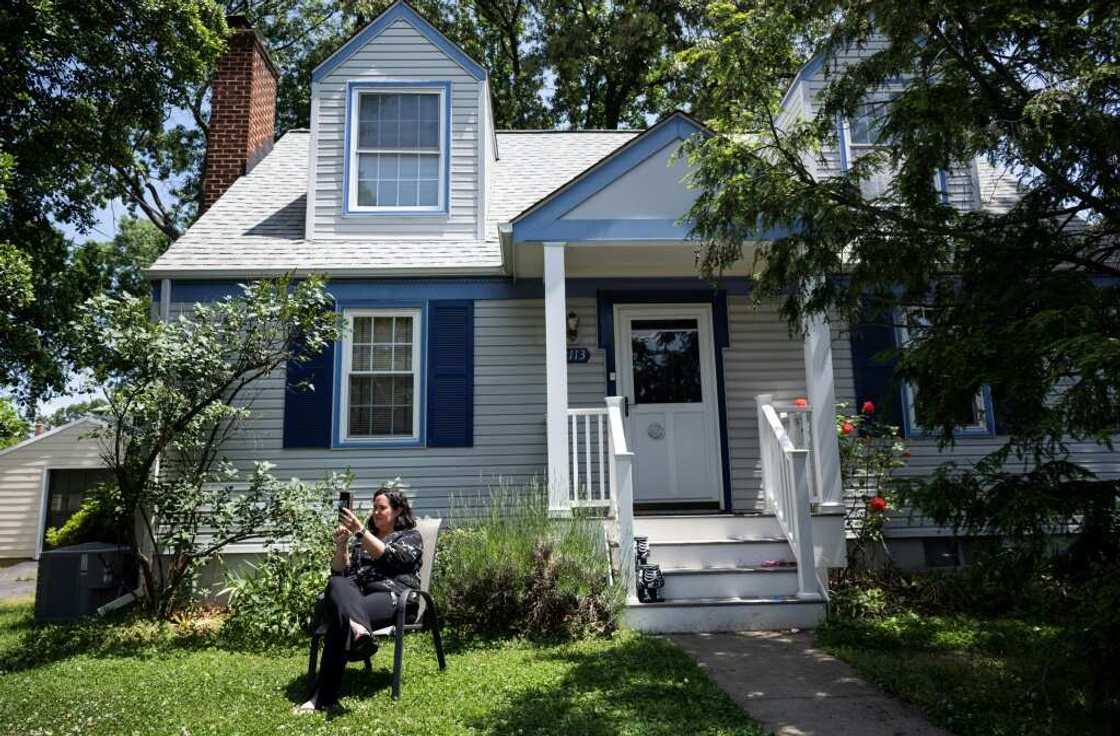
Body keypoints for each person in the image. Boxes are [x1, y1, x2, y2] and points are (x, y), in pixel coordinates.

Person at [297, 486, 423, 712]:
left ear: (398, 510)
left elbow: (391, 558)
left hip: (392, 596)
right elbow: (341, 573)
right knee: (336, 583)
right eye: (374, 507)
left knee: (339, 621)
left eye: (381, 508)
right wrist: (342, 546)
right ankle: (359, 631)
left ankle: (321, 698)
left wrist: (360, 531)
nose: (375, 512)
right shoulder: (361, 539)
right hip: (359, 598)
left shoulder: (410, 537)